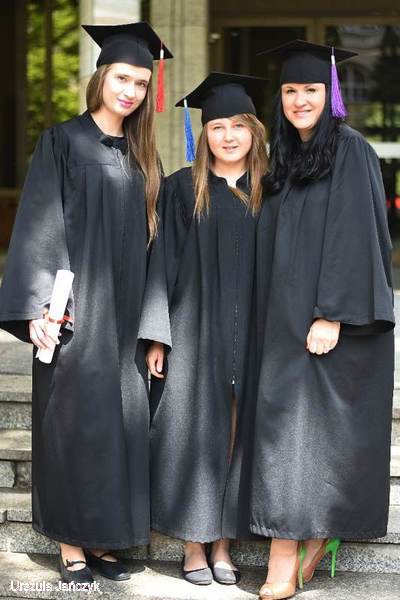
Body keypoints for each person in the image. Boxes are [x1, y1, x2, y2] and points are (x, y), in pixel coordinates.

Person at [0, 22, 172, 584]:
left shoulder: (145, 157)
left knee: (120, 427)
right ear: (100, 78)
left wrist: (155, 327)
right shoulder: (61, 142)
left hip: (127, 320)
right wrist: (37, 309)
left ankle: (102, 542)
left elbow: (159, 248)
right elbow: (38, 226)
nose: (131, 91)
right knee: (74, 425)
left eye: (141, 83)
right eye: (122, 78)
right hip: (74, 314)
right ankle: (71, 544)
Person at [250, 40, 395, 599]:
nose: (300, 100)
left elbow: (355, 234)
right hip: (283, 321)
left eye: (311, 89)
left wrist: (331, 313)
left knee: (304, 435)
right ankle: (309, 536)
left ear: (330, 93)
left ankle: (286, 549)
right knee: (291, 432)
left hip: (327, 323)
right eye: (290, 90)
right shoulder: (286, 155)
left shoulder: (351, 150)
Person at [141, 73, 269, 586]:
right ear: (203, 133)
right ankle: (194, 543)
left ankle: (223, 545)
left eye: (238, 125)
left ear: (255, 130)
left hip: (256, 333)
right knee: (194, 430)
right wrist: (157, 333)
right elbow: (161, 263)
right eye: (217, 126)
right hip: (195, 330)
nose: (228, 136)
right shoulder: (181, 189)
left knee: (239, 433)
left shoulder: (273, 190)